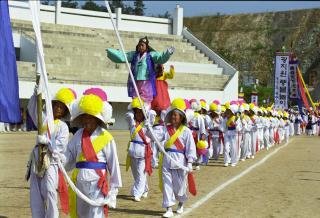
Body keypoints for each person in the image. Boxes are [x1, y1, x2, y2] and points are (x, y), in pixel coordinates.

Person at [64, 88, 122, 218]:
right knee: (81, 214)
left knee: (96, 214)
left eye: (90, 117)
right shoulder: (78, 135)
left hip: (97, 184)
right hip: (79, 182)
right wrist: (59, 158)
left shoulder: (106, 137)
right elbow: (69, 157)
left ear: (97, 119)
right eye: (84, 117)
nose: (87, 120)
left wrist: (113, 192)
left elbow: (114, 165)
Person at [26, 87, 77, 218]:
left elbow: (60, 147)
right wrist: (35, 94)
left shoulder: (63, 126)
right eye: (56, 105)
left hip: (51, 161)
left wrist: (47, 142)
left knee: (49, 190)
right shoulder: (43, 119)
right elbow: (32, 109)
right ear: (52, 105)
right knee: (35, 192)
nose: (58, 108)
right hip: (37, 157)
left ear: (65, 111)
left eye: (62, 107)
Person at [106, 36, 175, 108]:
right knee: (136, 96)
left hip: (146, 81)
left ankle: (145, 109)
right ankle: (136, 108)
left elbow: (160, 58)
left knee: (146, 98)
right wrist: (111, 52)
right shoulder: (134, 55)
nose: (140, 47)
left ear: (146, 47)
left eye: (142, 45)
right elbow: (123, 56)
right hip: (135, 80)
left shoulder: (150, 55)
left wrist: (168, 53)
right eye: (139, 45)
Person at [159, 98, 197, 218]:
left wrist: (190, 162)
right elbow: (155, 137)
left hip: (180, 161)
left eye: (176, 115)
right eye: (172, 115)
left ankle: (181, 203)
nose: (173, 117)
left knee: (180, 186)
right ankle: (169, 208)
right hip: (166, 159)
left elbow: (190, 148)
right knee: (167, 184)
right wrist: (150, 129)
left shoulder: (186, 131)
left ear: (181, 117)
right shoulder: (165, 128)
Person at [125, 97, 156, 202]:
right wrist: (134, 107)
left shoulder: (147, 123)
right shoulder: (132, 124)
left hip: (143, 151)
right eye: (136, 112)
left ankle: (137, 192)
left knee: (141, 173)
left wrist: (146, 110)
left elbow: (152, 113)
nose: (138, 114)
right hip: (132, 150)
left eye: (140, 112)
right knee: (136, 173)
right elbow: (128, 115)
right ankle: (145, 189)